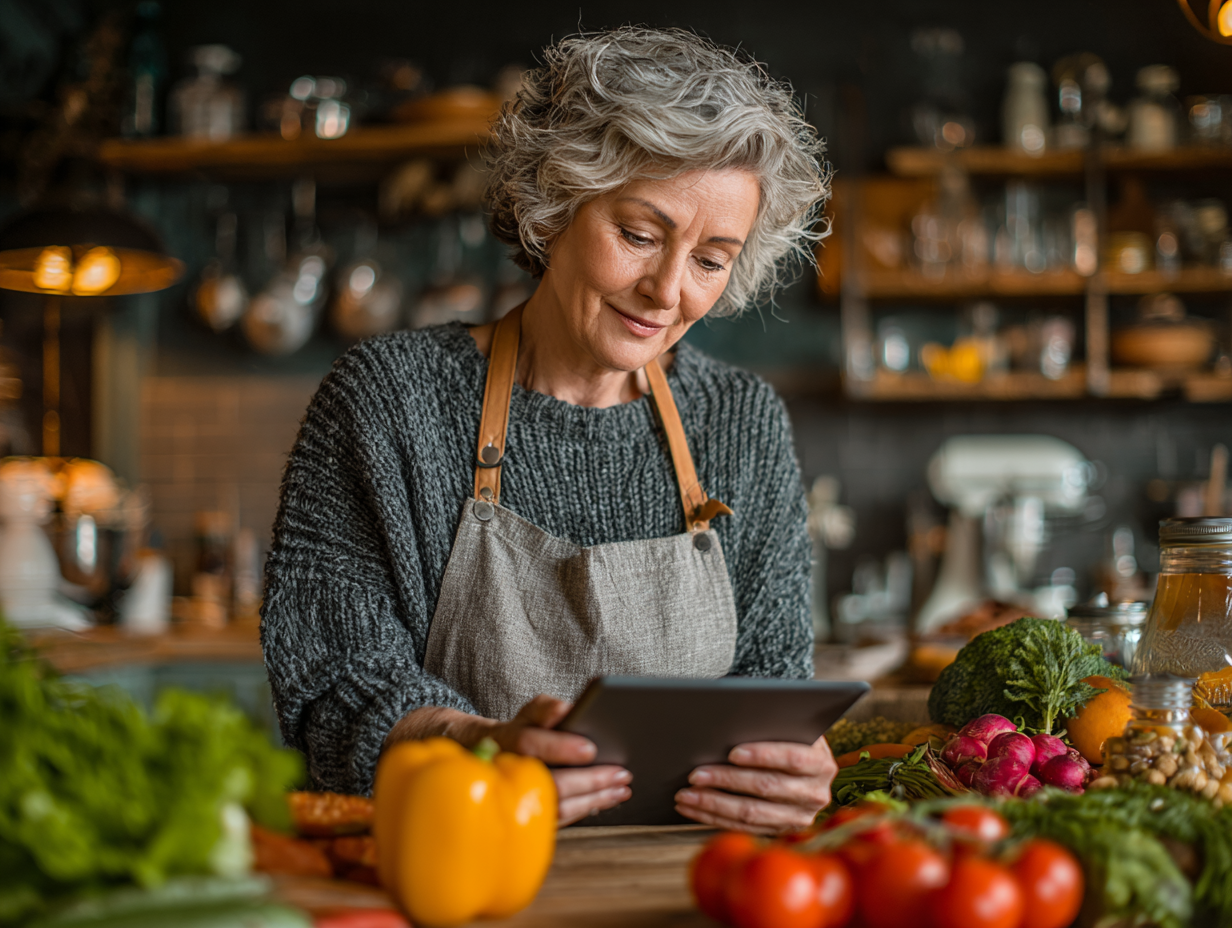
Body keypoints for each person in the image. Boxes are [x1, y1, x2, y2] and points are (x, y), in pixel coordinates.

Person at [262, 26, 834, 834]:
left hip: (687, 884)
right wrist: (477, 749)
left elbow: (773, 682)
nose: (667, 290)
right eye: (639, 234)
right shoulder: (390, 401)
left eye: (711, 259)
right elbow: (333, 681)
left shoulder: (739, 420)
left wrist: (788, 769)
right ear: (556, 204)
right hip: (461, 867)